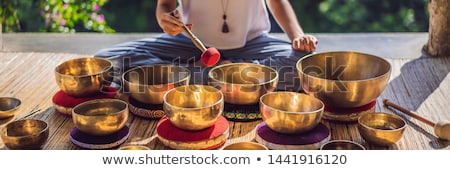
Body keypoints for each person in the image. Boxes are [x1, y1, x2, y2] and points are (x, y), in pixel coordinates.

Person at [94, 0, 318, 91]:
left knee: (307, 66)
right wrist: (166, 21)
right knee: (105, 61)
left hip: (252, 44)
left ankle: (186, 77)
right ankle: (231, 77)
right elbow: (165, 4)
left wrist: (297, 36)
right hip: (190, 43)